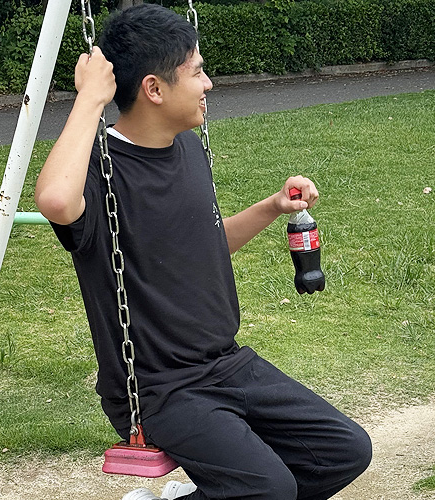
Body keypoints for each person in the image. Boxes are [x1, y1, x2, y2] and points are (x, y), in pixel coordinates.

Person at [35, 4, 371, 499]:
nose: (208, 83)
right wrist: (90, 98)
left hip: (225, 364)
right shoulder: (98, 170)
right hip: (158, 388)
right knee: (269, 490)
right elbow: (55, 201)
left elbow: (204, 247)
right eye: (196, 72)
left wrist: (271, 207)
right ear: (154, 89)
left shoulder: (188, 148)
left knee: (343, 451)